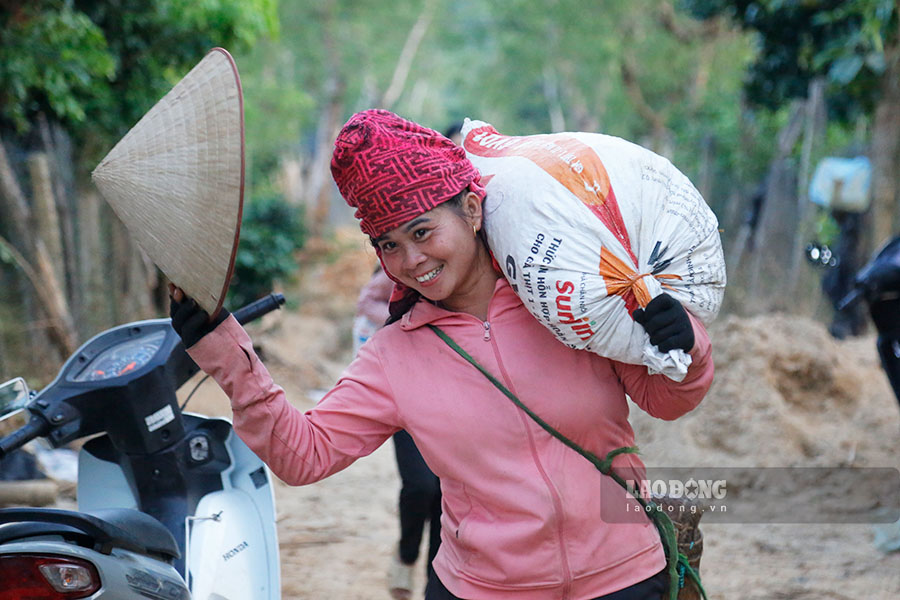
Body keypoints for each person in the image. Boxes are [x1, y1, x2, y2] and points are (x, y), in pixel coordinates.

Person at [170, 109, 714, 599]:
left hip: (625, 578)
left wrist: (683, 341)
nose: (412, 260)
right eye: (389, 245)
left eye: (422, 231)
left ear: (472, 210)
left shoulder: (565, 301)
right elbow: (304, 455)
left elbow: (667, 399)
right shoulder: (393, 356)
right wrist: (225, 352)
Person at [353, 263, 443, 599]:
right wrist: (409, 324)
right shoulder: (399, 268)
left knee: (447, 496)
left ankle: (436, 582)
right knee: (421, 486)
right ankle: (406, 554)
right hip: (407, 396)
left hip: (453, 396)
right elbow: (367, 302)